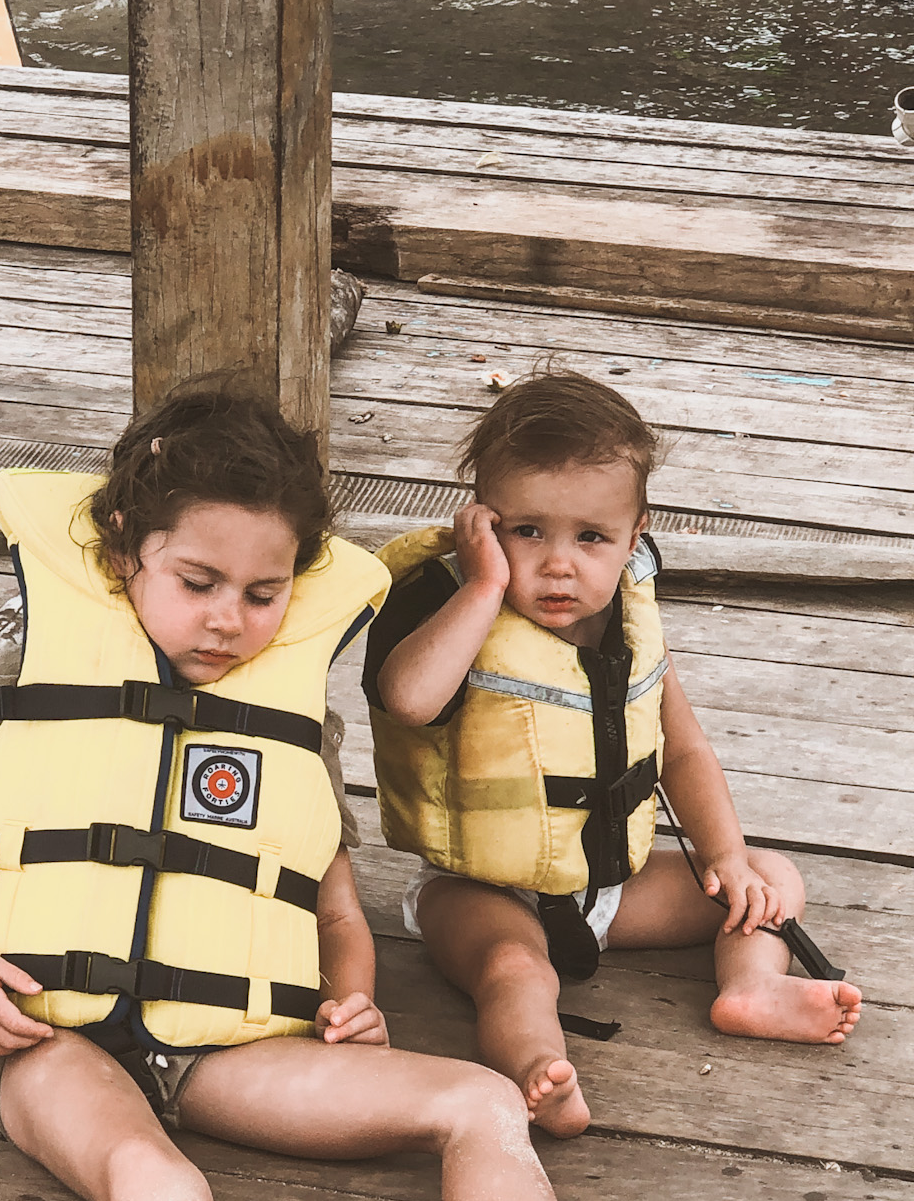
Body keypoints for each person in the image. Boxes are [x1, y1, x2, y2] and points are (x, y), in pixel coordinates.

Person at [0, 380, 787, 1201]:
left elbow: (335, 902)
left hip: (224, 1047)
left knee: (477, 1098)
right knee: (155, 1183)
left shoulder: (290, 714)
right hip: (42, 1040)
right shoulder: (20, 686)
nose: (226, 619)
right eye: (196, 583)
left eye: (262, 591)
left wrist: (353, 992)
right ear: (123, 556)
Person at [364, 369, 863, 1140]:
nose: (559, 563)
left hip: (610, 891)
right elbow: (410, 698)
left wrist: (725, 855)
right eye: (527, 530)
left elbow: (686, 751)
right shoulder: (461, 608)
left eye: (590, 537)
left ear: (635, 534)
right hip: (476, 891)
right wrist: (483, 585)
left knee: (770, 878)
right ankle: (538, 1071)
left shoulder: (629, 628)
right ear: (482, 523)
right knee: (514, 972)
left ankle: (752, 989)